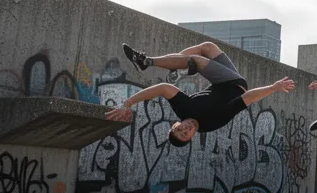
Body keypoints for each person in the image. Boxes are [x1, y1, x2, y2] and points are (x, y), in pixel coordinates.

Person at [105, 42, 294, 147]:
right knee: (195, 60)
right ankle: (148, 62)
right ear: (193, 135)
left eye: (180, 130)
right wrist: (273, 87)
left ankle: (175, 68)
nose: (185, 129)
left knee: (207, 48)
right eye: (186, 134)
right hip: (233, 83)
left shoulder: (183, 108)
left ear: (175, 125)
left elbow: (162, 88)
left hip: (223, 80)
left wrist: (128, 103)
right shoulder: (213, 121)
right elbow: (247, 99)